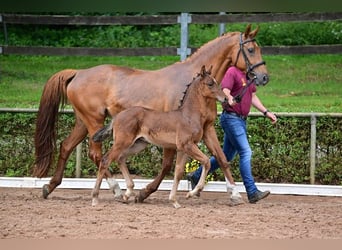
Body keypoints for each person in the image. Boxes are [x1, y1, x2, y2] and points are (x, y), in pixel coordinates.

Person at [187, 66, 277, 204]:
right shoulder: (232, 71)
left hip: (241, 120)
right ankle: (252, 191)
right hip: (231, 118)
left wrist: (266, 112)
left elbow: (252, 96)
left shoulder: (249, 76)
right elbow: (224, 90)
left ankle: (196, 176)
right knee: (246, 152)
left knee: (227, 155)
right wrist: (228, 98)